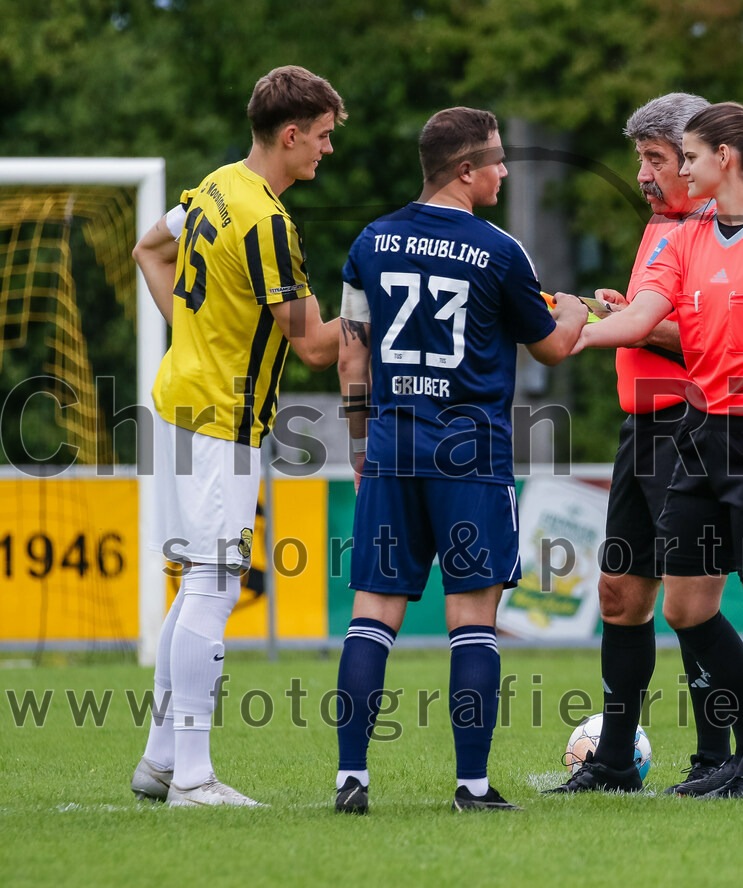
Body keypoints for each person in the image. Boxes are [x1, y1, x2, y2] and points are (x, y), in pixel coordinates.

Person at [333, 106, 588, 814]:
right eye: (498, 160)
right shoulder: (501, 251)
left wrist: (361, 447)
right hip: (469, 455)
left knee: (372, 616)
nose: (506, 171)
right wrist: (571, 309)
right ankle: (472, 787)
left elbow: (352, 352)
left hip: (390, 447)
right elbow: (552, 346)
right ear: (465, 170)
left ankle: (350, 778)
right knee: (472, 621)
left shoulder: (371, 241)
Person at [569, 102, 743, 799]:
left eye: (682, 156)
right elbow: (647, 314)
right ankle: (731, 762)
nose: (673, 170)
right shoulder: (682, 240)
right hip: (701, 435)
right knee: (683, 605)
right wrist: (581, 330)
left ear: (724, 159)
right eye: (665, 157)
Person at [130, 65, 346, 807]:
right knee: (215, 588)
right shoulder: (266, 223)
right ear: (289, 135)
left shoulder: (214, 187)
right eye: (320, 138)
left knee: (198, 583)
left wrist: (190, 337)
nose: (325, 151)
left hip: (179, 404)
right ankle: (191, 776)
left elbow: (147, 252)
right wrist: (385, 314)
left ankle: (162, 763)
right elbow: (316, 345)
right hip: (222, 421)